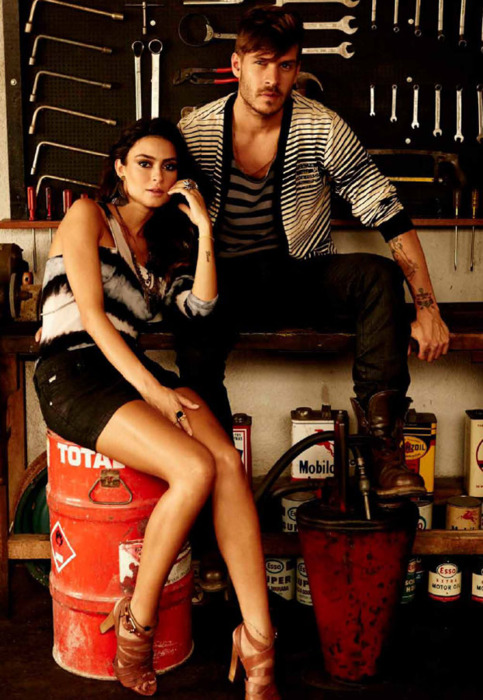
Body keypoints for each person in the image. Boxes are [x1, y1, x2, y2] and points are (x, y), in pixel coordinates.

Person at [33, 118, 279, 699]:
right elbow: (92, 318)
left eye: (169, 167)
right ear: (120, 167)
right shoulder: (87, 216)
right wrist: (156, 392)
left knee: (226, 462)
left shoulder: (161, 249)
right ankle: (136, 628)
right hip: (73, 372)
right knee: (192, 469)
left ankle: (259, 644)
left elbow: (200, 308)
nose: (157, 176)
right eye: (144, 163)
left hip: (128, 372)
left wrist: (204, 229)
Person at [176, 5, 450, 499]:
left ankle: (383, 452)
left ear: (297, 68)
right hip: (223, 283)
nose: (272, 79)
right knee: (194, 330)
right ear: (236, 65)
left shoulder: (320, 126)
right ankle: (217, 472)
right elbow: (148, 207)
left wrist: (428, 309)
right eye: (261, 64)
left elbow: (386, 210)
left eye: (285, 66)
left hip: (297, 276)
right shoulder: (196, 131)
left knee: (377, 276)